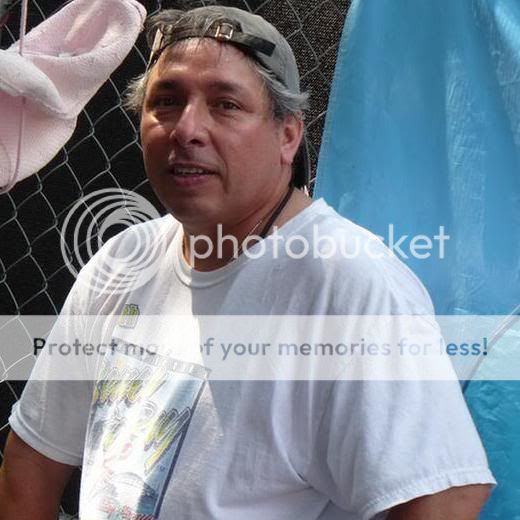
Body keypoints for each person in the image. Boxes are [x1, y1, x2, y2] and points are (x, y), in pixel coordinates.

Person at [0, 6, 495, 519]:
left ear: (288, 136)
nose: (187, 129)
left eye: (226, 105)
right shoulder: (123, 260)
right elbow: (31, 461)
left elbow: (445, 495)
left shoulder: (349, 285)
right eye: (166, 101)